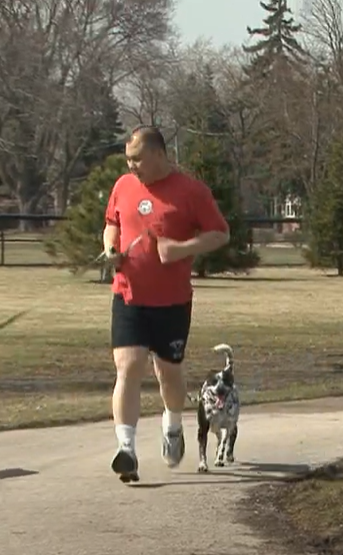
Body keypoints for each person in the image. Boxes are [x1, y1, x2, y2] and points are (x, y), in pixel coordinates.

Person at [102, 125, 230, 482]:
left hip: (172, 302)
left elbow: (220, 233)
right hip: (128, 294)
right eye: (128, 160)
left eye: (138, 159)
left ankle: (173, 424)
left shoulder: (191, 191)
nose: (132, 167)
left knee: (168, 374)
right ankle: (126, 450)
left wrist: (180, 249)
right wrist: (111, 248)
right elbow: (111, 224)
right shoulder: (123, 187)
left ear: (159, 153)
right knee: (127, 366)